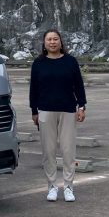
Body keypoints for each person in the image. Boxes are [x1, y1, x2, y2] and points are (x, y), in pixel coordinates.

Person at [29, 29, 86, 203]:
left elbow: (79, 85)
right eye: (49, 39)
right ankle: (52, 186)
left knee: (68, 150)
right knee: (49, 151)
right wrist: (34, 111)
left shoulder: (70, 61)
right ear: (44, 43)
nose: (52, 42)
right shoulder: (38, 63)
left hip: (68, 110)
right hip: (45, 110)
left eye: (55, 39)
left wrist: (81, 106)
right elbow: (34, 89)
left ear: (60, 42)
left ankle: (68, 186)